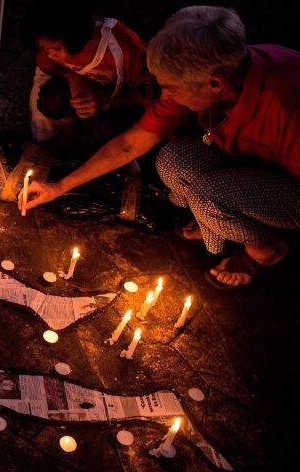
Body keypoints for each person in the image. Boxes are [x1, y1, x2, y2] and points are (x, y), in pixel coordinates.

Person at [23, 6, 300, 291]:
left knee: (208, 196)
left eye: (171, 89)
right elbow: (131, 143)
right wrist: (60, 186)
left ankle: (266, 249)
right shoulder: (207, 71)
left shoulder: (288, 109)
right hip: (253, 158)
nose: (165, 97)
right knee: (172, 162)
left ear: (215, 83)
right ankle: (220, 218)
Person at [23, 0, 156, 145]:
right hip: (83, 89)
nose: (49, 55)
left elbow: (148, 93)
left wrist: (104, 102)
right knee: (51, 100)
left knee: (111, 130)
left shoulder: (124, 50)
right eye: (44, 49)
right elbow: (47, 66)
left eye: (56, 49)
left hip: (114, 97)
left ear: (76, 38)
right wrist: (75, 78)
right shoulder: (49, 40)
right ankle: (70, 130)